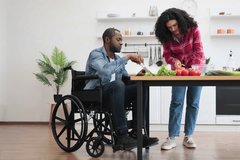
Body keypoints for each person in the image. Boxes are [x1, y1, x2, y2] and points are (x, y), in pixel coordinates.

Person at [84, 28, 159, 150]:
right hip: (97, 94)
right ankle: (122, 135)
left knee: (141, 87)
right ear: (107, 39)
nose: (121, 43)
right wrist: (128, 57)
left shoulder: (118, 59)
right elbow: (104, 71)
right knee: (118, 85)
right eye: (118, 39)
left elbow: (125, 78)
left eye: (121, 40)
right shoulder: (96, 54)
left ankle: (137, 132)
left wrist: (137, 77)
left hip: (116, 94)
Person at [154, 8, 205, 150]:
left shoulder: (193, 29)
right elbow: (167, 55)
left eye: (175, 25)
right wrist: (174, 61)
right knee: (177, 102)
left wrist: (192, 68)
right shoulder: (167, 37)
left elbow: (198, 51)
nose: (173, 29)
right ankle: (172, 137)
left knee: (193, 103)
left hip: (195, 69)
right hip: (179, 71)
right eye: (169, 27)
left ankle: (188, 136)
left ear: (180, 22)